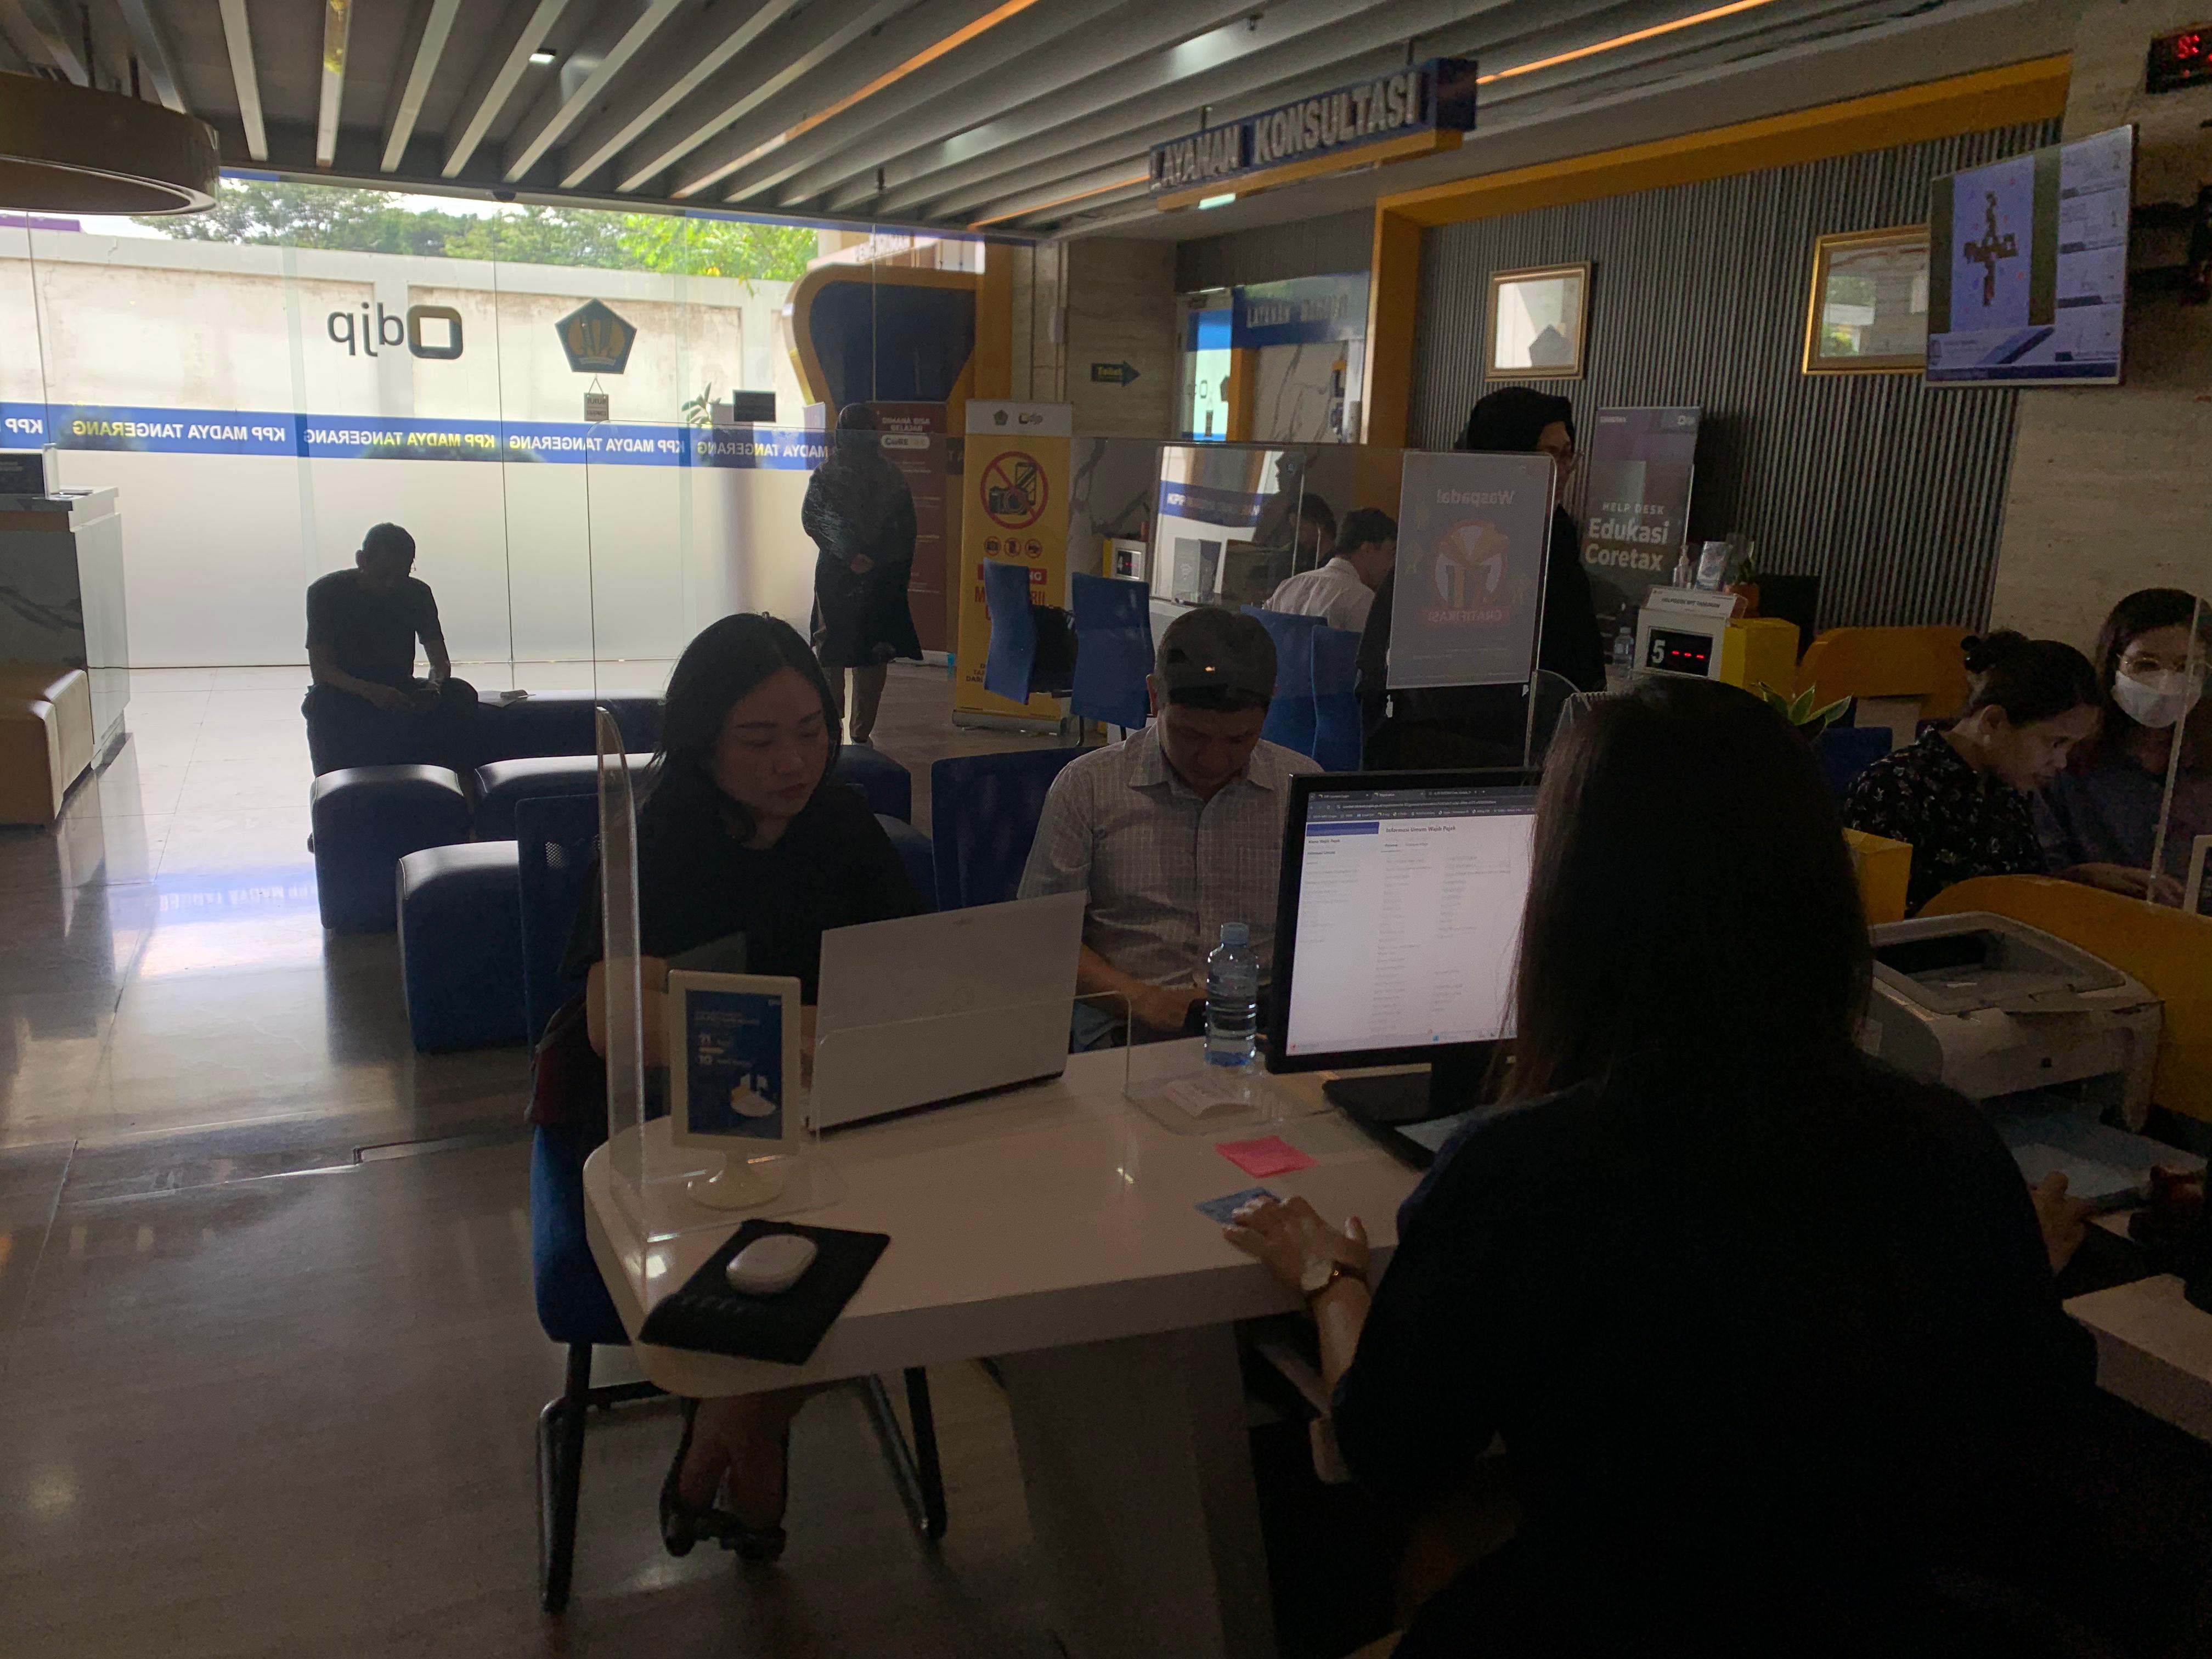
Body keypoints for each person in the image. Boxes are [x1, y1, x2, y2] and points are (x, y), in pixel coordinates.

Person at [1222, 676, 2186, 1657]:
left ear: (1568, 902)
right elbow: (2029, 1410)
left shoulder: (1521, 1169)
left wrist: (1331, 1278)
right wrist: (2001, 1265)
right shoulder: (1946, 1142)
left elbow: (1387, 1453)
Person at [561, 613, 924, 1560]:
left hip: (822, 1108)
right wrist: (810, 1028)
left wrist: (778, 1028)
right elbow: (618, 1025)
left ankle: (723, 1432)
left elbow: (908, 987)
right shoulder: (660, 837)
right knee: (812, 1256)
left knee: (882, 1243)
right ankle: (752, 1447)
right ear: (702, 741)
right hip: (668, 1115)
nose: (793, 762)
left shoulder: (842, 822)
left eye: (810, 731)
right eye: (758, 739)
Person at [1018, 606, 1319, 1045]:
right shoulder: (1089, 787)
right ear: (1155, 697)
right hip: (1126, 1020)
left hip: (1261, 1022)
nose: (1213, 761)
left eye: (1239, 739)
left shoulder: (1299, 786)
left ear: (1270, 704)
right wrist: (1141, 998)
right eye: (1191, 735)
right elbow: (1040, 935)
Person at [1356, 388, 1605, 766]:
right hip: (1446, 755)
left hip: (1545, 756)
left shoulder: (1558, 539)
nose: (1564, 469)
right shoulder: (1440, 533)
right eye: (1550, 455)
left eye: (1568, 454)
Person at [1844, 631, 2108, 914]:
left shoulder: (2006, 785)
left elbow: (2012, 888)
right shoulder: (1896, 788)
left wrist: (2074, 880)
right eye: (2055, 743)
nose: (2061, 762)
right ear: (1993, 722)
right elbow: (1876, 921)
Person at [2037, 588, 2209, 906]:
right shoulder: (2063, 756)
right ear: (2114, 665)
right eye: (2146, 665)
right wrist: (2083, 878)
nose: (2165, 683)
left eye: (2186, 667)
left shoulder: (2203, 761)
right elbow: (2030, 874)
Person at [301, 523, 477, 774]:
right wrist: (371, 691)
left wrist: (434, 687)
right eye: (383, 575)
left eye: (402, 575)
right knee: (321, 703)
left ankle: (458, 783)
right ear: (362, 561)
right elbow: (322, 670)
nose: (392, 584)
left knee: (460, 693)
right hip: (345, 690)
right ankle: (336, 786)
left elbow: (440, 661)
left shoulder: (417, 593)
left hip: (399, 687)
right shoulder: (326, 593)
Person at [803, 405, 921, 746]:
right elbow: (905, 529)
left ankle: (831, 728)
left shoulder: (826, 474)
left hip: (838, 575)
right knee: (871, 654)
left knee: (832, 650)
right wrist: (875, 558)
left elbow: (814, 518)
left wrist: (849, 554)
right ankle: (860, 732)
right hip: (876, 577)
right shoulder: (892, 477)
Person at [1265, 507, 1397, 633]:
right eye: (1391, 554)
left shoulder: (1288, 586)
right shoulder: (1361, 599)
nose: (1393, 565)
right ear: (1367, 550)